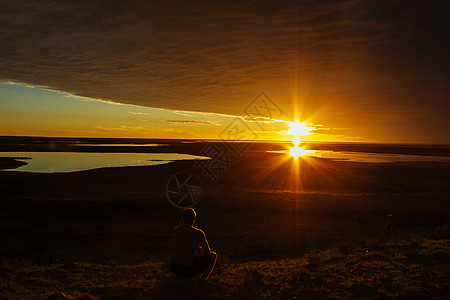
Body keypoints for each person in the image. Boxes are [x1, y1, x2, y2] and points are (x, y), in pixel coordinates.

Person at [171, 208, 217, 280]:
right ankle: (203, 280)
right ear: (194, 219)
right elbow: (208, 252)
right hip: (188, 269)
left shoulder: (176, 230)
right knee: (213, 256)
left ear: (182, 218)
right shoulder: (198, 233)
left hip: (174, 267)